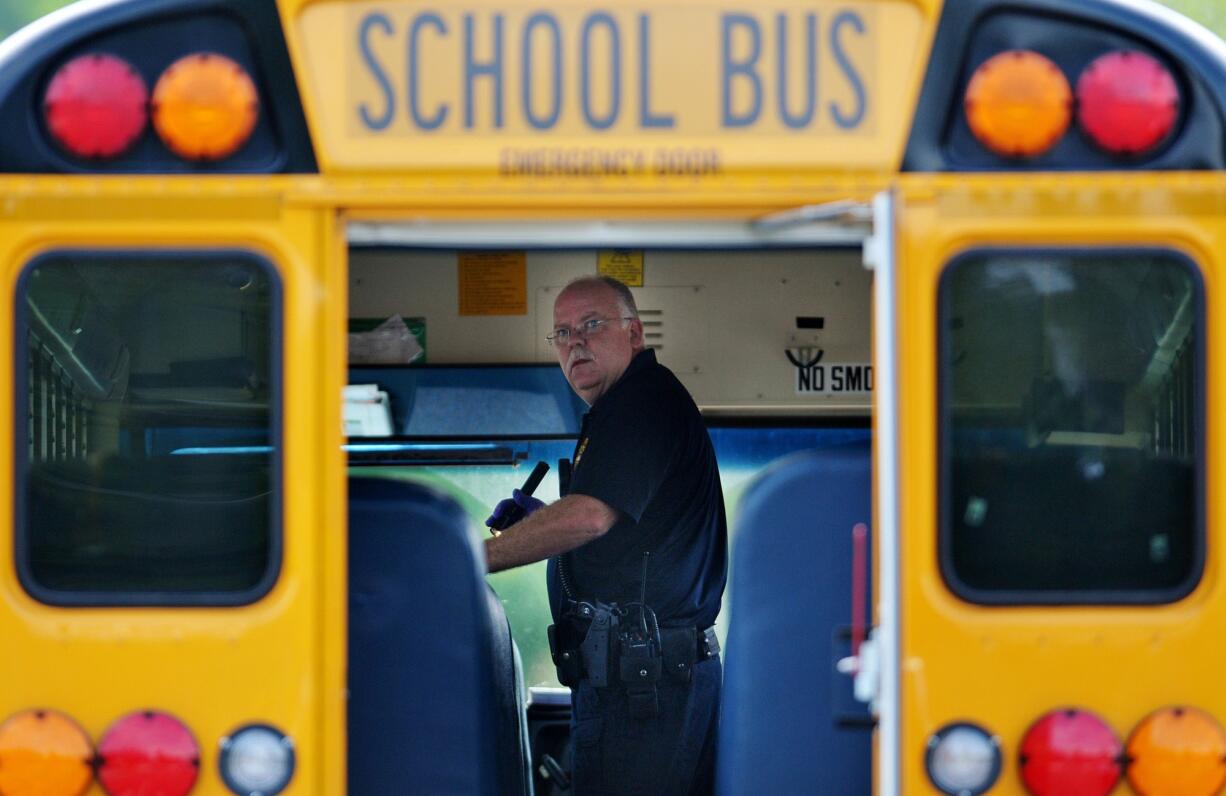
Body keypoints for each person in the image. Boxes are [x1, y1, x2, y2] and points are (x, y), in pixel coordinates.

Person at [484, 275, 728, 795]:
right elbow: (621, 532)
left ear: (634, 334)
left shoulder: (639, 403)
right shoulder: (624, 408)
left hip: (645, 686)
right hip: (650, 678)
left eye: (592, 326)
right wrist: (540, 521)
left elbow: (590, 518)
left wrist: (471, 558)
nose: (575, 343)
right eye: (562, 334)